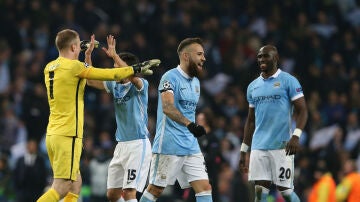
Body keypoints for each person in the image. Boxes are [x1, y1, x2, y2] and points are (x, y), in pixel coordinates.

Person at [37, 29, 160, 202]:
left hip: (137, 144)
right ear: (73, 47)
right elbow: (95, 77)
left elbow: (101, 74)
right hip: (68, 133)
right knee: (63, 187)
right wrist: (130, 65)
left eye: (118, 64)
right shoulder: (97, 76)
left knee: (77, 184)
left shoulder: (49, 67)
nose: (115, 66)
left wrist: (98, 57)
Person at [139, 37, 213, 202]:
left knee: (205, 187)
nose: (204, 58)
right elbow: (167, 107)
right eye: (199, 54)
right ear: (186, 56)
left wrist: (192, 127)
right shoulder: (169, 77)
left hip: (190, 145)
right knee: (156, 189)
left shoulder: (196, 83)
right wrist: (190, 124)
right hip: (169, 144)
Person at [87, 35, 152, 202]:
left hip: (138, 144)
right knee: (112, 195)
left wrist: (115, 55)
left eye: (116, 66)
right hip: (121, 145)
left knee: (129, 192)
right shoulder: (114, 85)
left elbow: (131, 76)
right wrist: (87, 56)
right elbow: (91, 81)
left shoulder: (141, 84)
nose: (114, 70)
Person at [239, 45, 308, 202]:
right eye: (259, 57)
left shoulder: (288, 81)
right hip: (258, 146)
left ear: (275, 58)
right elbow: (250, 121)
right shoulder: (253, 86)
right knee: (259, 191)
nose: (262, 59)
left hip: (281, 146)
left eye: (266, 56)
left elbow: (303, 110)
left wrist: (296, 136)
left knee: (285, 191)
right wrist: (244, 150)